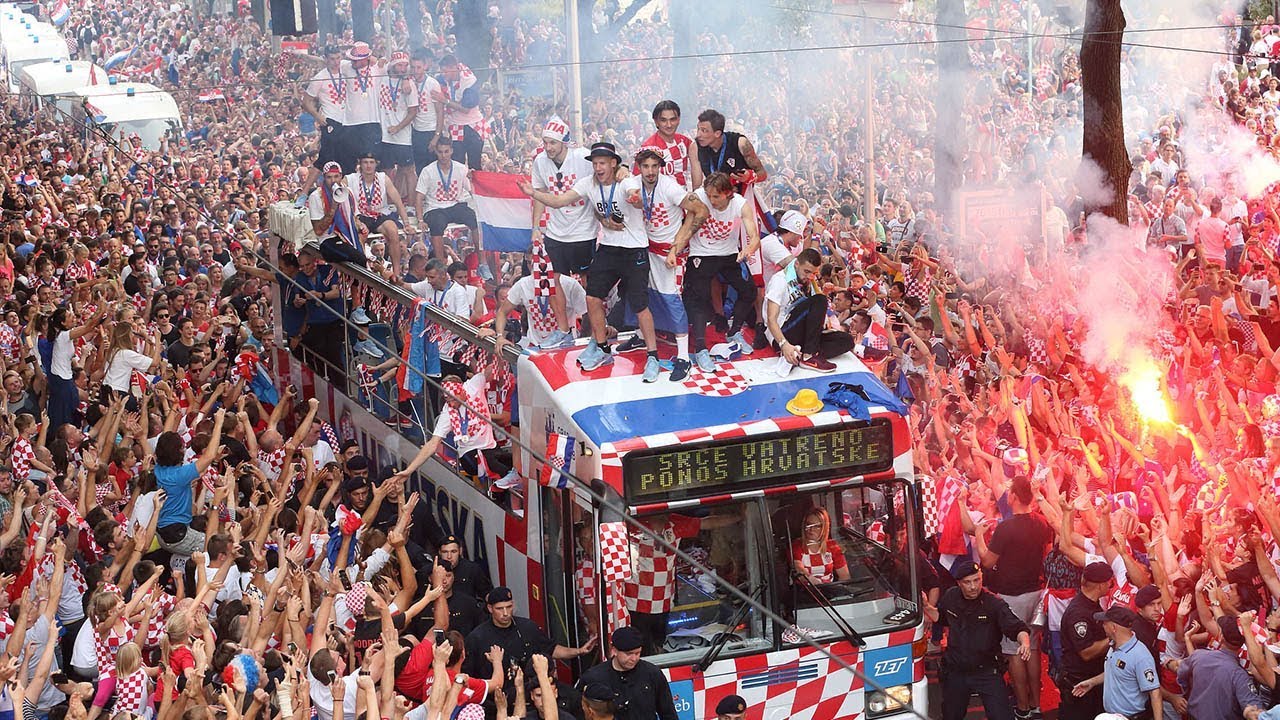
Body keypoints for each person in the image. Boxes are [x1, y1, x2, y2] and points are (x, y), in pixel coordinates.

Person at [518, 142, 659, 375]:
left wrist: (636, 198)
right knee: (593, 297)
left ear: (614, 163)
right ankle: (602, 348)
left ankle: (652, 355)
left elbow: (635, 194)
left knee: (639, 305)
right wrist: (533, 193)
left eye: (602, 163)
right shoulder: (588, 183)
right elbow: (560, 201)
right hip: (608, 247)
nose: (598, 168)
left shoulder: (626, 180)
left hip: (634, 250)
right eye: (594, 164)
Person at [973, 476, 1053, 720]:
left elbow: (987, 562)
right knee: (1033, 647)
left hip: (1012, 597)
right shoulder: (1042, 522)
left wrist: (978, 536)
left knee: (1014, 651)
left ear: (1015, 497)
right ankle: (1036, 705)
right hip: (1036, 593)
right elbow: (1047, 554)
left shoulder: (1006, 527)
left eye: (1009, 492)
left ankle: (1023, 707)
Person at [667, 172, 760, 373]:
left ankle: (734, 332)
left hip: (729, 255)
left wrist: (748, 250)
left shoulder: (740, 204)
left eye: (716, 196)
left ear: (728, 193)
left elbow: (754, 236)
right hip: (702, 253)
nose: (711, 200)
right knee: (697, 298)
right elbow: (687, 226)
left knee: (749, 291)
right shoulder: (699, 197)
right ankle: (700, 348)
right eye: (709, 195)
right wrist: (675, 249)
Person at [618, 148, 692, 380]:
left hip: (667, 254)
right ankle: (641, 335)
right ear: (639, 167)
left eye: (654, 166)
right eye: (645, 166)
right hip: (642, 248)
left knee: (672, 299)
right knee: (639, 294)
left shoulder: (670, 187)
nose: (650, 172)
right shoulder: (634, 183)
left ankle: (684, 357)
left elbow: (698, 210)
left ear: (661, 166)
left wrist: (677, 246)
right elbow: (619, 175)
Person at [529, 116, 597, 349]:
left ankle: (597, 328)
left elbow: (606, 170)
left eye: (553, 143)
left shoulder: (583, 157)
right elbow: (538, 193)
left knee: (589, 282)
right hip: (556, 231)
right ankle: (563, 330)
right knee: (553, 279)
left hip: (584, 230)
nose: (548, 147)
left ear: (565, 143)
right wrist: (536, 227)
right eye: (545, 142)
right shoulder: (540, 160)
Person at [935, 559, 1030, 720]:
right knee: (951, 715)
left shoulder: (994, 604)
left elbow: (1017, 627)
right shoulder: (951, 596)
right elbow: (941, 617)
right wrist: (926, 608)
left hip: (987, 671)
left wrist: (1025, 642)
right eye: (967, 582)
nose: (973, 586)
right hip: (957, 670)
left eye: (976, 580)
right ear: (959, 583)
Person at [462, 587, 597, 691]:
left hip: (528, 695)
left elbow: (551, 649)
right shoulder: (477, 638)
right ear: (490, 608)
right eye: (499, 609)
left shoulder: (527, 627)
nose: (505, 613)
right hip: (496, 699)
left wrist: (579, 651)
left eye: (508, 607)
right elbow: (469, 675)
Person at [762, 248, 854, 373]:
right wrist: (784, 344)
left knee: (847, 341)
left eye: (814, 273)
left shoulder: (808, 281)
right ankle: (808, 356)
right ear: (796, 264)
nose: (810, 276)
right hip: (781, 333)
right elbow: (771, 319)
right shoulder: (780, 280)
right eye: (806, 271)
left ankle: (799, 354)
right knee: (820, 300)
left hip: (800, 333)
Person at [153, 408, 226, 554]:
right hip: (177, 535)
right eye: (182, 447)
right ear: (178, 451)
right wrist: (218, 424)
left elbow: (164, 438)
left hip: (163, 531)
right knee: (217, 550)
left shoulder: (158, 468)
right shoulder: (180, 474)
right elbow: (209, 456)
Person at [1070, 606, 1162, 720]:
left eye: (1104, 623)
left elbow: (1155, 693)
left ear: (1113, 627)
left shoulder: (1140, 656)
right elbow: (1114, 671)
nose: (1102, 626)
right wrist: (1092, 682)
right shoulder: (1114, 645)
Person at [1175, 614, 1265, 720]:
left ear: (1221, 637)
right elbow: (1255, 709)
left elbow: (1181, 676)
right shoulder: (1240, 675)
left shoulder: (1199, 656)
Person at [576, 627, 678, 720]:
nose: (634, 658)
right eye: (628, 654)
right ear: (614, 651)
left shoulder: (652, 673)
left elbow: (668, 713)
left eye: (637, 653)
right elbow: (578, 712)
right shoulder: (593, 677)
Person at [1057, 561, 1114, 720]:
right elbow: (1087, 652)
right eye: (1109, 582)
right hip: (1080, 683)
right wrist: (1113, 637)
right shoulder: (1079, 614)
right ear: (1100, 586)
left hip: (1091, 680)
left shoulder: (1091, 604)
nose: (1110, 585)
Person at [347, 150, 412, 272]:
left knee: (393, 230)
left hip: (379, 213)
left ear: (376, 164)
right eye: (365, 162)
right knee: (361, 233)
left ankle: (397, 272)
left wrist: (406, 223)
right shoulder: (351, 179)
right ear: (360, 164)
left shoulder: (383, 178)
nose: (368, 165)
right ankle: (362, 270)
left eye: (371, 162)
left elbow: (398, 201)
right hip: (360, 215)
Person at [415, 135, 478, 260]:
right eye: (440, 152)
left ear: (451, 151)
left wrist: (482, 208)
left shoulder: (460, 168)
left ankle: (482, 261)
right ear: (436, 152)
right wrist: (420, 220)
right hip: (435, 207)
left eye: (446, 151)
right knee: (436, 224)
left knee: (473, 219)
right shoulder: (428, 171)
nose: (443, 155)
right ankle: (440, 264)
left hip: (455, 205)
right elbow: (419, 197)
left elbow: (473, 191)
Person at [301, 46, 349, 196]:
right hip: (331, 122)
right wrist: (318, 117)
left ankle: (341, 194)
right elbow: (306, 101)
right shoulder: (320, 77)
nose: (336, 62)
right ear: (326, 59)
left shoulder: (347, 71)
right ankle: (303, 193)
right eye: (332, 59)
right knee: (324, 159)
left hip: (348, 122)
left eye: (338, 58)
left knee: (345, 159)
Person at [690, 109, 767, 191]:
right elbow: (696, 187)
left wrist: (749, 177)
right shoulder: (695, 147)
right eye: (698, 129)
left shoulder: (740, 143)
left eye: (704, 131)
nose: (698, 135)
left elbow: (763, 174)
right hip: (714, 196)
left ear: (717, 133)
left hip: (742, 196)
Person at [377, 51, 419, 201]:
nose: (403, 68)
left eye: (405, 65)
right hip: (385, 136)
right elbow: (375, 62)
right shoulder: (381, 78)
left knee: (408, 170)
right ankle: (388, 204)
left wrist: (398, 128)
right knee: (386, 171)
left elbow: (413, 111)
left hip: (403, 137)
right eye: (400, 65)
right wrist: (381, 59)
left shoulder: (409, 84)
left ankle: (412, 206)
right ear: (393, 65)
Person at [435, 55, 484, 169]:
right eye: (442, 71)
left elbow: (466, 109)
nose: (443, 74)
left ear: (454, 67)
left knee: (474, 165)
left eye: (445, 71)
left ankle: (475, 186)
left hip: (473, 126)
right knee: (457, 164)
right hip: (456, 126)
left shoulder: (470, 81)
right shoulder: (445, 78)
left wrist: (445, 101)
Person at [341, 42, 382, 170]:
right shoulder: (346, 66)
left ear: (365, 59)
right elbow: (323, 62)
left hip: (371, 121)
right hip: (350, 122)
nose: (352, 62)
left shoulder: (377, 68)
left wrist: (405, 80)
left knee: (370, 161)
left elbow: (400, 68)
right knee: (349, 162)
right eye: (352, 59)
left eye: (356, 60)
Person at [640, 100, 695, 191]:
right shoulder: (648, 147)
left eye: (672, 119)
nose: (669, 125)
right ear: (656, 122)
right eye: (663, 120)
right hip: (660, 201)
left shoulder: (685, 141)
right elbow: (637, 178)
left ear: (678, 120)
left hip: (683, 198)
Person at [790, 507, 851, 584]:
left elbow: (845, 576)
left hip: (829, 591)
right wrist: (816, 583)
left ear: (824, 528)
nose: (811, 529)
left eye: (816, 526)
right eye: (808, 524)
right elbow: (800, 571)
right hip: (805, 591)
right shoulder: (797, 545)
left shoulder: (832, 546)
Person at [409, 47, 444, 174]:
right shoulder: (410, 82)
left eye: (418, 67)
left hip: (431, 131)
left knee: (434, 170)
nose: (415, 71)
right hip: (417, 132)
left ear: (425, 67)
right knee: (420, 170)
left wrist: (436, 136)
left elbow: (440, 111)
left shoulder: (432, 83)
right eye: (413, 67)